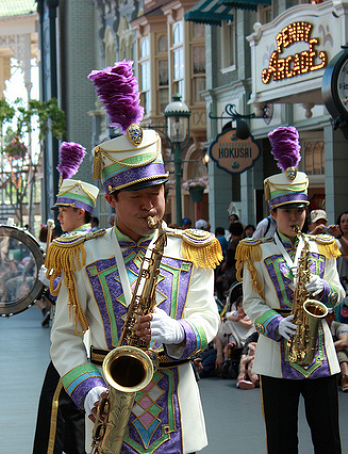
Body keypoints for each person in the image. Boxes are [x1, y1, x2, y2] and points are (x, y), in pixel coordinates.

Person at [48, 61, 221, 454]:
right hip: (108, 410)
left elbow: (207, 316)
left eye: (156, 193)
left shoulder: (191, 248)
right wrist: (87, 389)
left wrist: (178, 331)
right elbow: (64, 338)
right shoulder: (80, 254)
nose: (150, 206)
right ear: (110, 199)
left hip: (178, 411)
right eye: (136, 197)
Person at [236, 126, 345, 454]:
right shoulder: (255, 251)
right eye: (287, 211)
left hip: (320, 354)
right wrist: (272, 322)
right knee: (282, 439)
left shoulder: (323, 247)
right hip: (275, 351)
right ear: (273, 213)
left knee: (328, 435)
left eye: (300, 209)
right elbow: (252, 301)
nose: (295, 216)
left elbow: (339, 292)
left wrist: (325, 288)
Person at [34, 144, 99, 454]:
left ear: (80, 212)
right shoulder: (68, 242)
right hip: (70, 336)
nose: (59, 216)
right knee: (70, 411)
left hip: (82, 338)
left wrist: (52, 280)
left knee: (59, 408)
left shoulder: (84, 243)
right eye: (58, 211)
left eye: (64, 210)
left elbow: (68, 289)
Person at [325, 311, 348, 392]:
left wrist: (322, 349)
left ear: (333, 316)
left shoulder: (340, 326)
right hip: (321, 367)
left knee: (340, 352)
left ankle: (346, 377)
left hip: (337, 367)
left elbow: (344, 342)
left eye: (326, 316)